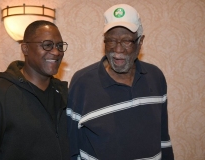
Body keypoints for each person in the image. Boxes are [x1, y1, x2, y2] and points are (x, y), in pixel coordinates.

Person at [67, 4, 174, 160]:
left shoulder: (155, 77)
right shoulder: (82, 82)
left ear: (140, 41)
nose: (118, 50)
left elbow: (163, 137)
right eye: (111, 41)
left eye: (126, 41)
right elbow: (71, 146)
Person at [0, 20, 70, 160]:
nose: (56, 52)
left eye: (59, 45)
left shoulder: (64, 95)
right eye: (47, 45)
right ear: (25, 48)